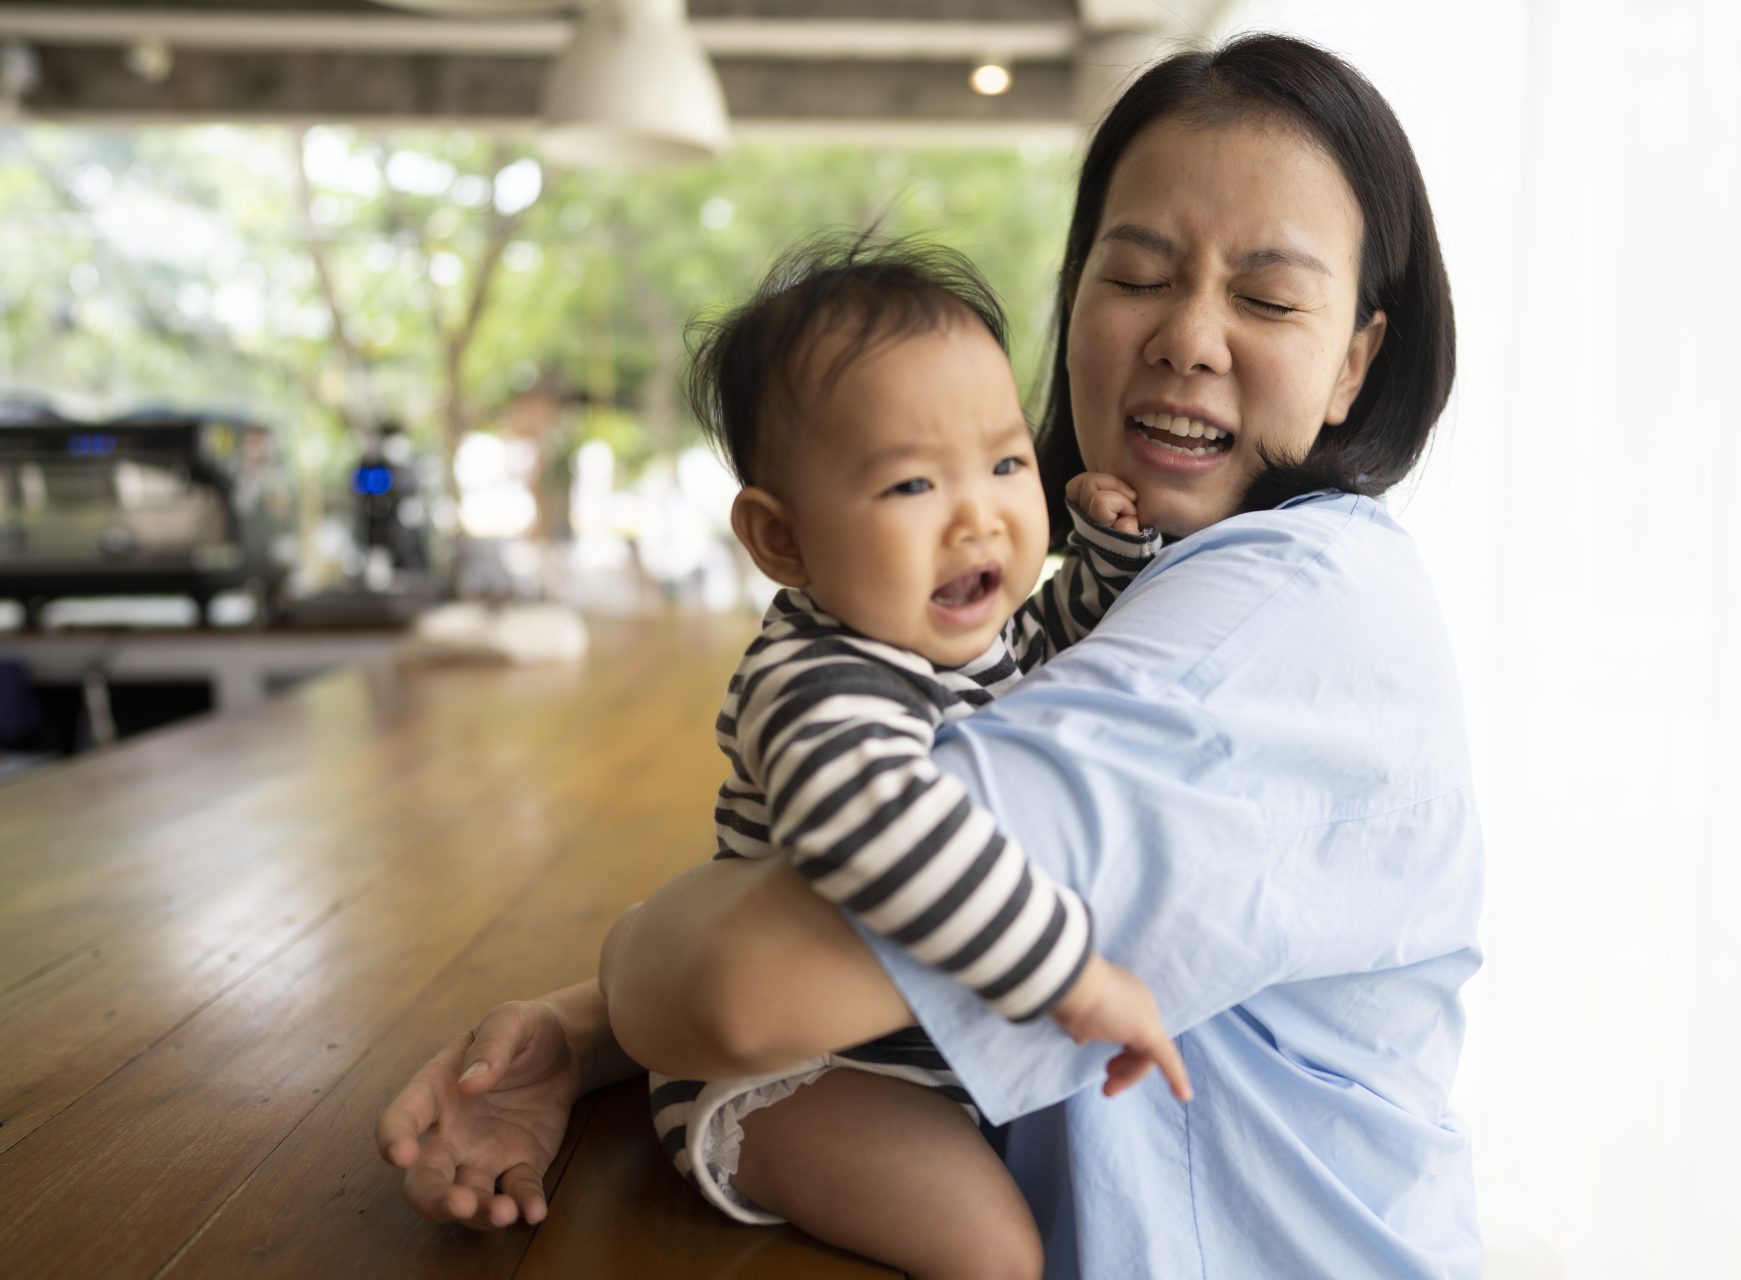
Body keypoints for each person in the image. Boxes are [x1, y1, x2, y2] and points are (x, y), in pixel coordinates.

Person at [378, 32, 1479, 1278]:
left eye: (1268, 297)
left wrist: (629, 964)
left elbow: (748, 981)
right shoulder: (1153, 589)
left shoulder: (1278, 621)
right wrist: (585, 1036)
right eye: (1137, 277)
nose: (1188, 336)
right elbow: (832, 923)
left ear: (1356, 360)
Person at [631, 234, 1189, 1276]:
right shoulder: (820, 678)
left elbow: (1050, 648)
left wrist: (1106, 560)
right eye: (909, 486)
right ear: (781, 540)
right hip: (805, 1073)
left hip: (914, 1057)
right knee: (990, 1251)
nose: (978, 513)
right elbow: (882, 825)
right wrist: (1071, 974)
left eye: (1006, 461)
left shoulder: (948, 623)